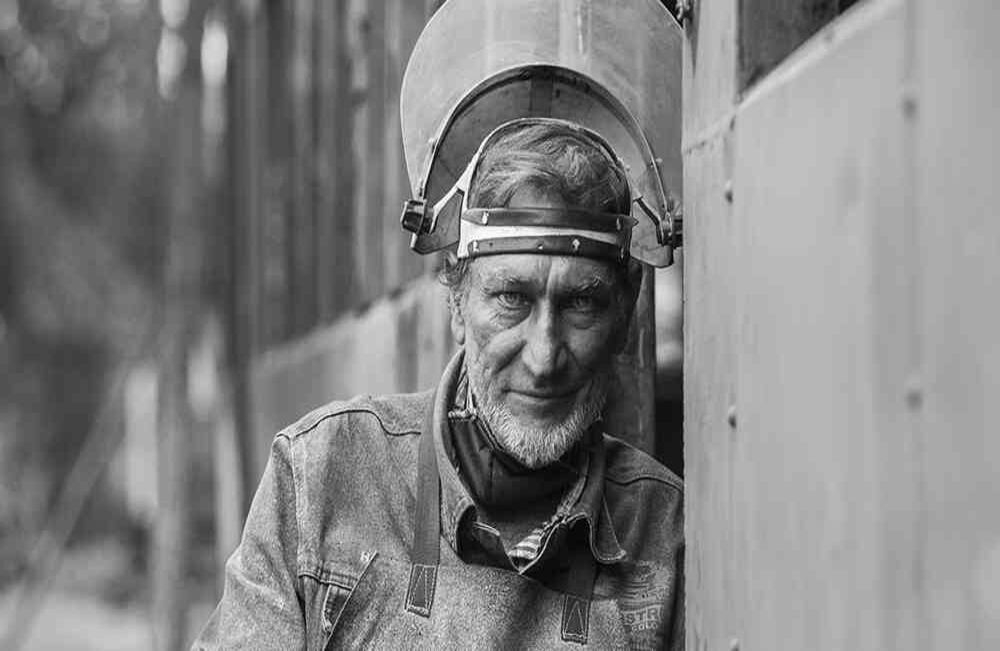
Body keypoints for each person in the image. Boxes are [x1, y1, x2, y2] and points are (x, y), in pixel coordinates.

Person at [194, 1, 684, 648]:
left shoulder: (665, 535)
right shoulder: (321, 477)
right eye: (511, 297)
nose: (543, 354)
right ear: (455, 295)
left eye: (581, 303)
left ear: (625, 311)